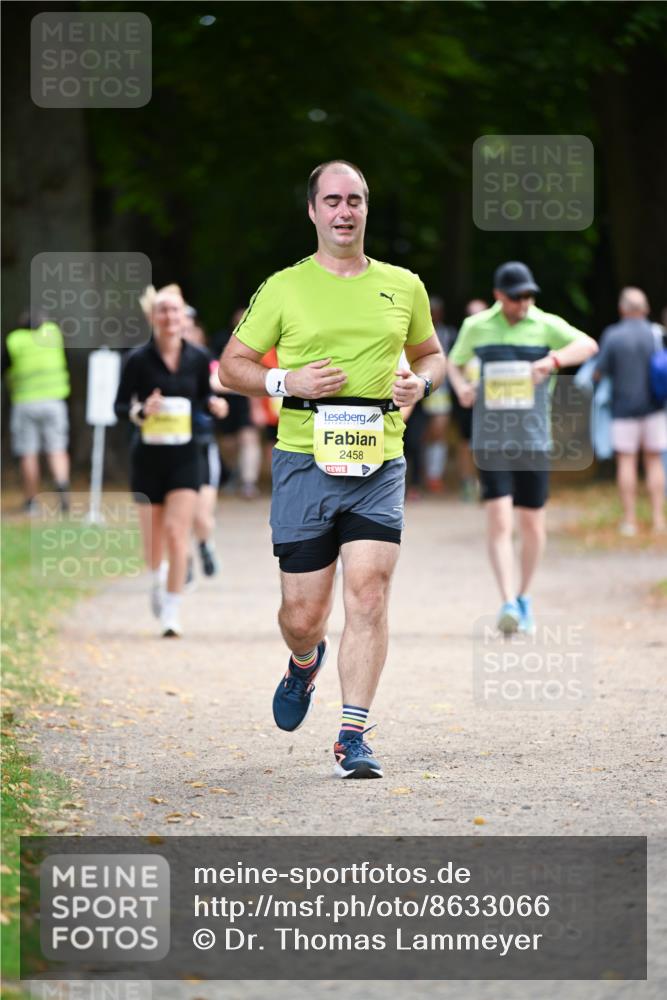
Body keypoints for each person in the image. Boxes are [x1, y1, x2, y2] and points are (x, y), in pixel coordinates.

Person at [220, 159, 445, 778]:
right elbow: (229, 365)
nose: (346, 211)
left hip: (380, 457)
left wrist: (419, 384)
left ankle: (353, 736)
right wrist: (283, 379)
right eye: (333, 201)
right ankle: (303, 661)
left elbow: (431, 354)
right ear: (313, 211)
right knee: (302, 617)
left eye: (356, 200)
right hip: (303, 460)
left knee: (369, 594)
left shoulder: (404, 285)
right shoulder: (284, 287)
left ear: (366, 208)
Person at [448, 262, 598, 634]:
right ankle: (508, 600)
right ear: (500, 296)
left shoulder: (544, 323)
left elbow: (589, 345)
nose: (525, 303)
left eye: (530, 296)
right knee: (499, 518)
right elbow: (454, 363)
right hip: (491, 436)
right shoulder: (477, 326)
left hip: (533, 437)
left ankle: (525, 596)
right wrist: (462, 388)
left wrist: (552, 360)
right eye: (517, 297)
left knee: (532, 522)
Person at [114, 284, 223, 637]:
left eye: (175, 310)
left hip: (184, 458)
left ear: (183, 316)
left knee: (178, 534)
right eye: (162, 310)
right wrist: (141, 410)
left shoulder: (197, 357)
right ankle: (158, 580)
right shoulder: (137, 360)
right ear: (152, 317)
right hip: (147, 459)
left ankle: (172, 613)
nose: (169, 316)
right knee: (153, 542)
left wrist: (214, 406)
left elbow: (206, 396)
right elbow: (119, 407)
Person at [594, 287, 667, 535]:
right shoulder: (655, 334)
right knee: (654, 461)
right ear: (645, 309)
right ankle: (658, 520)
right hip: (654, 407)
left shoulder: (613, 335)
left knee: (626, 462)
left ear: (622, 309)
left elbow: (599, 371)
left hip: (623, 409)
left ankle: (630, 521)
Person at [2, 311, 70, 513]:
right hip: (54, 401)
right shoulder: (53, 334)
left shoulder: (15, 341)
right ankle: (62, 487)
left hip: (25, 402)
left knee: (28, 452)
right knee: (57, 448)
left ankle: (31, 500)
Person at [181, 308, 229, 577]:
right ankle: (183, 561)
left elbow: (222, 379)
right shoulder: (154, 360)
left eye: (189, 327)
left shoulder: (203, 359)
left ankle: (204, 543)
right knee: (178, 514)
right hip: (169, 446)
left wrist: (217, 401)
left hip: (200, 441)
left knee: (202, 514)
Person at [213, 308, 263, 499]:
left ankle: (249, 483)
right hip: (225, 401)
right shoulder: (221, 340)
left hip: (246, 399)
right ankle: (234, 475)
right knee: (228, 444)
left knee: (249, 439)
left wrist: (257, 406)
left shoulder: (259, 341)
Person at [449, 298, 488, 501]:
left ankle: (487, 483)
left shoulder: (493, 338)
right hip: (468, 400)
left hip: (491, 401)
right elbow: (453, 365)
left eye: (479, 314)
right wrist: (463, 388)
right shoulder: (463, 338)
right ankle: (467, 482)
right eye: (471, 314)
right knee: (465, 442)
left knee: (487, 443)